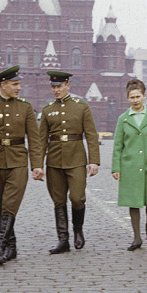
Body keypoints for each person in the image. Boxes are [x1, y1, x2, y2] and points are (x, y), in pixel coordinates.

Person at [0, 66, 43, 264]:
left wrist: (36, 165)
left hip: (19, 161)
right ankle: (11, 245)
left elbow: (35, 139)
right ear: (2, 85)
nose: (19, 88)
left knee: (10, 205)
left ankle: (0, 246)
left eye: (19, 84)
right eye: (15, 84)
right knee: (1, 207)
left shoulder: (26, 107)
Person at [40, 71, 100, 254]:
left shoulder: (81, 107)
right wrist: (37, 165)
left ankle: (78, 230)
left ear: (68, 85)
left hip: (76, 158)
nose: (56, 90)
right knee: (58, 200)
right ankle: (63, 239)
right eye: (53, 87)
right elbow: (41, 139)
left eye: (59, 86)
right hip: (54, 160)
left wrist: (94, 161)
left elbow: (91, 134)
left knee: (77, 198)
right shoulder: (47, 109)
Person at [112, 79, 147, 250]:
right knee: (133, 201)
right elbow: (118, 145)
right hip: (130, 166)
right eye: (131, 97)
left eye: (138, 96)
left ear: (144, 96)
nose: (135, 100)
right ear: (128, 98)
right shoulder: (123, 119)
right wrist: (116, 167)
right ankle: (136, 237)